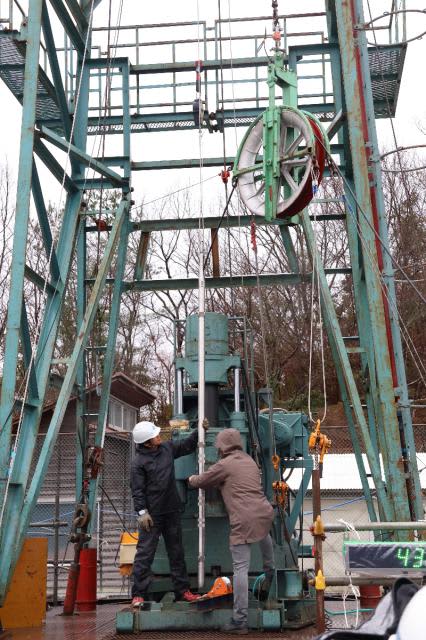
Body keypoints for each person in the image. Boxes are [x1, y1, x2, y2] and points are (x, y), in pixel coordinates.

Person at [189, 428, 274, 635]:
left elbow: (202, 481)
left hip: (243, 520)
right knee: (267, 551)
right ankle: (270, 584)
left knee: (240, 570)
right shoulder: (249, 460)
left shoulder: (224, 464)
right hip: (264, 514)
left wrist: (190, 478)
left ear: (223, 446)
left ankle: (240, 620)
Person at [130, 420, 204, 607]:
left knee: (176, 552)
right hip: (152, 516)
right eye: (155, 435)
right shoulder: (138, 463)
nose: (159, 435)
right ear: (147, 442)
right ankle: (138, 594)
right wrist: (142, 512)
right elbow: (137, 490)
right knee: (145, 554)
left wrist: (199, 430)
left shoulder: (167, 448)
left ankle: (183, 591)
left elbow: (187, 445)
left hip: (171, 510)